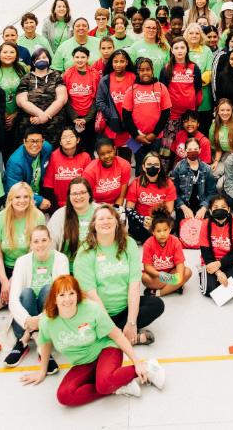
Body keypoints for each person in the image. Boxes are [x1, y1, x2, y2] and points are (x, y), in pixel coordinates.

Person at [19, 274, 165, 404]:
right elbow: (45, 345)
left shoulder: (91, 309)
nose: (68, 299)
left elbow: (116, 334)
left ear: (77, 295)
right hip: (83, 362)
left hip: (106, 350)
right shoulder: (46, 321)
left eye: (71, 293)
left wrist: (137, 362)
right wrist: (42, 371)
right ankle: (118, 386)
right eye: (61, 295)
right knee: (64, 396)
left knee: (104, 384)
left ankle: (149, 367)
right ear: (54, 299)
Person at [73, 205, 163, 344]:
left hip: (123, 309)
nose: (106, 221)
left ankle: (114, 336)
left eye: (110, 218)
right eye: (101, 218)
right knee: (82, 325)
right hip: (98, 312)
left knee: (156, 304)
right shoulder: (85, 251)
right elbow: (91, 294)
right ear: (93, 225)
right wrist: (109, 326)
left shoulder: (129, 244)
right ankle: (126, 338)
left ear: (117, 222)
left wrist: (132, 322)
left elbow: (134, 284)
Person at [3, 225, 69, 367]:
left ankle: (24, 342)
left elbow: (62, 298)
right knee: (26, 293)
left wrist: (39, 320)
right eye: (36, 241)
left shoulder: (61, 259)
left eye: (44, 240)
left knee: (50, 290)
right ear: (31, 244)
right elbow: (13, 299)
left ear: (50, 241)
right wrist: (27, 320)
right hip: (25, 320)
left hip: (49, 317)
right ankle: (42, 345)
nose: (40, 245)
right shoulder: (21, 261)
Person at [0, 181, 46, 303]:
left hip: (28, 267)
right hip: (6, 266)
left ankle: (4, 300)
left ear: (31, 198)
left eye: (26, 197)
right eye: (17, 197)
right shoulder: (0, 218)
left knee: (31, 286)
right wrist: (5, 281)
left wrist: (14, 279)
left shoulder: (38, 217)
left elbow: (34, 255)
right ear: (10, 199)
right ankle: (10, 297)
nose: (22, 200)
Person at [123, 57, 172, 164]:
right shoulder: (131, 89)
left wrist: (154, 134)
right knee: (139, 164)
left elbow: (165, 114)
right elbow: (126, 116)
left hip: (156, 136)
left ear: (152, 70)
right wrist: (136, 135)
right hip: (135, 137)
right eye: (142, 70)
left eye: (148, 69)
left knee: (154, 164)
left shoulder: (161, 87)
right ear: (137, 72)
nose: (145, 72)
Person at [17, 48, 68, 144]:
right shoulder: (26, 78)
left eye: (44, 57)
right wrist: (41, 115)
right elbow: (21, 101)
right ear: (33, 61)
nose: (41, 60)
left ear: (49, 59)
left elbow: (62, 99)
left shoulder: (57, 76)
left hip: (54, 124)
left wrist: (46, 116)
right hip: (31, 123)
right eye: (38, 58)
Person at [125, 152, 177, 243]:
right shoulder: (135, 183)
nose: (152, 167)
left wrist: (155, 220)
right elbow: (129, 209)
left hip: (160, 219)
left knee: (172, 221)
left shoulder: (168, 183)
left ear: (160, 168)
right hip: (141, 220)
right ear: (144, 167)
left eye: (156, 164)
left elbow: (169, 210)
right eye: (149, 164)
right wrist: (142, 219)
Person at [198, 195, 233, 298]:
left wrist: (219, 264)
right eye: (216, 207)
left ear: (228, 210)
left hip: (229, 261)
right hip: (210, 261)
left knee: (232, 290)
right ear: (210, 211)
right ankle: (203, 272)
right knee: (209, 291)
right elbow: (205, 252)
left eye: (223, 207)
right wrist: (218, 273)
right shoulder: (205, 224)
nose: (220, 210)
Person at [95, 49, 137, 152]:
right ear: (111, 63)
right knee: (110, 154)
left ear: (127, 62)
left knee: (128, 156)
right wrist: (111, 115)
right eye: (115, 61)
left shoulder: (134, 78)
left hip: (130, 126)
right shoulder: (105, 79)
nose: (118, 64)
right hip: (111, 126)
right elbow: (99, 101)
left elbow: (139, 100)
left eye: (122, 61)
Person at [4, 127, 53, 212]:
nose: (35, 144)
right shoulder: (15, 162)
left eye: (38, 141)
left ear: (43, 141)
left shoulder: (47, 148)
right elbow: (14, 190)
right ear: (24, 142)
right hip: (20, 199)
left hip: (40, 191)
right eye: (31, 141)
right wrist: (39, 200)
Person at [42, 128, 90, 209]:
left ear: (77, 140)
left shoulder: (85, 157)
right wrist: (55, 208)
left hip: (80, 202)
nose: (68, 140)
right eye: (64, 137)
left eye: (71, 136)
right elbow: (48, 185)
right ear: (60, 142)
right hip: (58, 204)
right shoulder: (53, 156)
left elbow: (88, 185)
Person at [172, 138, 215, 222]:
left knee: (204, 230)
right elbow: (174, 192)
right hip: (184, 205)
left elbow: (212, 193)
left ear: (200, 150)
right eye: (190, 149)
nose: (193, 151)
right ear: (185, 151)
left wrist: (204, 208)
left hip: (201, 206)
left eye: (195, 149)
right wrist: (183, 207)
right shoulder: (179, 167)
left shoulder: (207, 169)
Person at [81, 138, 132, 207]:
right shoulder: (89, 171)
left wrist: (115, 210)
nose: (107, 156)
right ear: (97, 154)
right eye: (102, 154)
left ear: (114, 149)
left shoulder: (124, 165)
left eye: (109, 152)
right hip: (95, 206)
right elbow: (87, 199)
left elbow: (121, 196)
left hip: (116, 204)